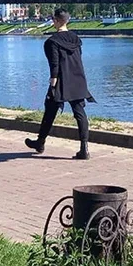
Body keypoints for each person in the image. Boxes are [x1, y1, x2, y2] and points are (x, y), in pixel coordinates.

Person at [25, 8, 95, 160]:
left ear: (55, 21)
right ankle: (84, 149)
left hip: (62, 80)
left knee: (50, 110)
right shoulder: (76, 39)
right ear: (67, 20)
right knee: (80, 113)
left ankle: (40, 142)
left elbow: (54, 65)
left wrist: (53, 83)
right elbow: (78, 59)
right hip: (77, 78)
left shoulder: (52, 42)